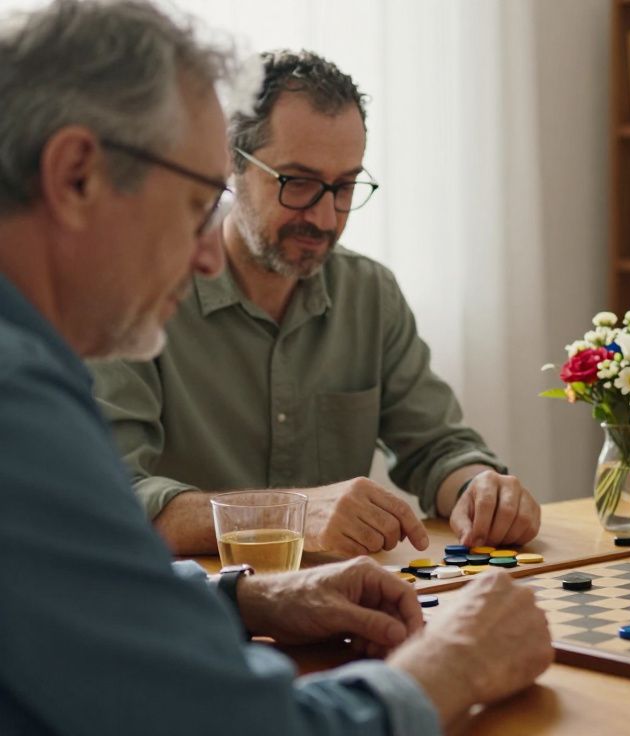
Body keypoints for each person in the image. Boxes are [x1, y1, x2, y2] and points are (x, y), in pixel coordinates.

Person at [0, 2, 550, 734]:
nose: (202, 252)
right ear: (75, 177)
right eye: (196, 204)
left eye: (346, 187)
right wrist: (450, 669)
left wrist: (249, 599)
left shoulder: (34, 364)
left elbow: (77, 598)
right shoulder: (20, 397)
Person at [90, 48, 540, 557]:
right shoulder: (139, 295)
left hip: (341, 605)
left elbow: (437, 445)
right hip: (195, 610)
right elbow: (112, 500)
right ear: (231, 167)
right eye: (297, 183)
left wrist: (479, 489)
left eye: (345, 186)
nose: (326, 218)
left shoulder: (369, 293)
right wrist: (292, 515)